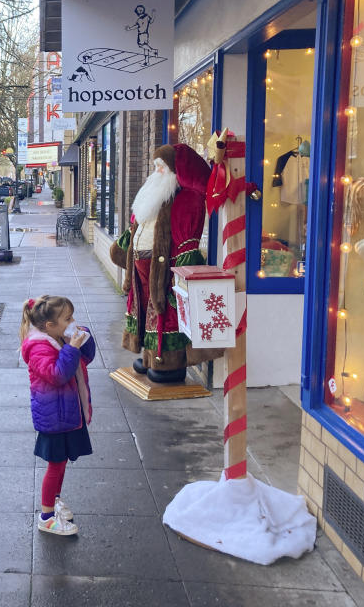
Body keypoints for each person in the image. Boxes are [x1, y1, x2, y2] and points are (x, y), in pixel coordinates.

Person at [110, 144, 216, 383]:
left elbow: (186, 241)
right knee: (146, 312)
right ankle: (149, 357)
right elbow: (138, 226)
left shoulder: (186, 199)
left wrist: (182, 276)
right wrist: (124, 247)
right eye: (155, 166)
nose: (156, 171)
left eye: (162, 167)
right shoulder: (153, 197)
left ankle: (169, 364)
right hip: (142, 270)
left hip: (164, 271)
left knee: (164, 314)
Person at [19, 295, 95, 536]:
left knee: (61, 464)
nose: (72, 321)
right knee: (55, 465)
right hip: (54, 418)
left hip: (66, 413)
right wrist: (71, 347)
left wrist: (82, 338)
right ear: (50, 326)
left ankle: (54, 499)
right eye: (68, 318)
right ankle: (47, 516)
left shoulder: (57, 337)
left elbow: (87, 358)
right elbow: (57, 374)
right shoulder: (38, 347)